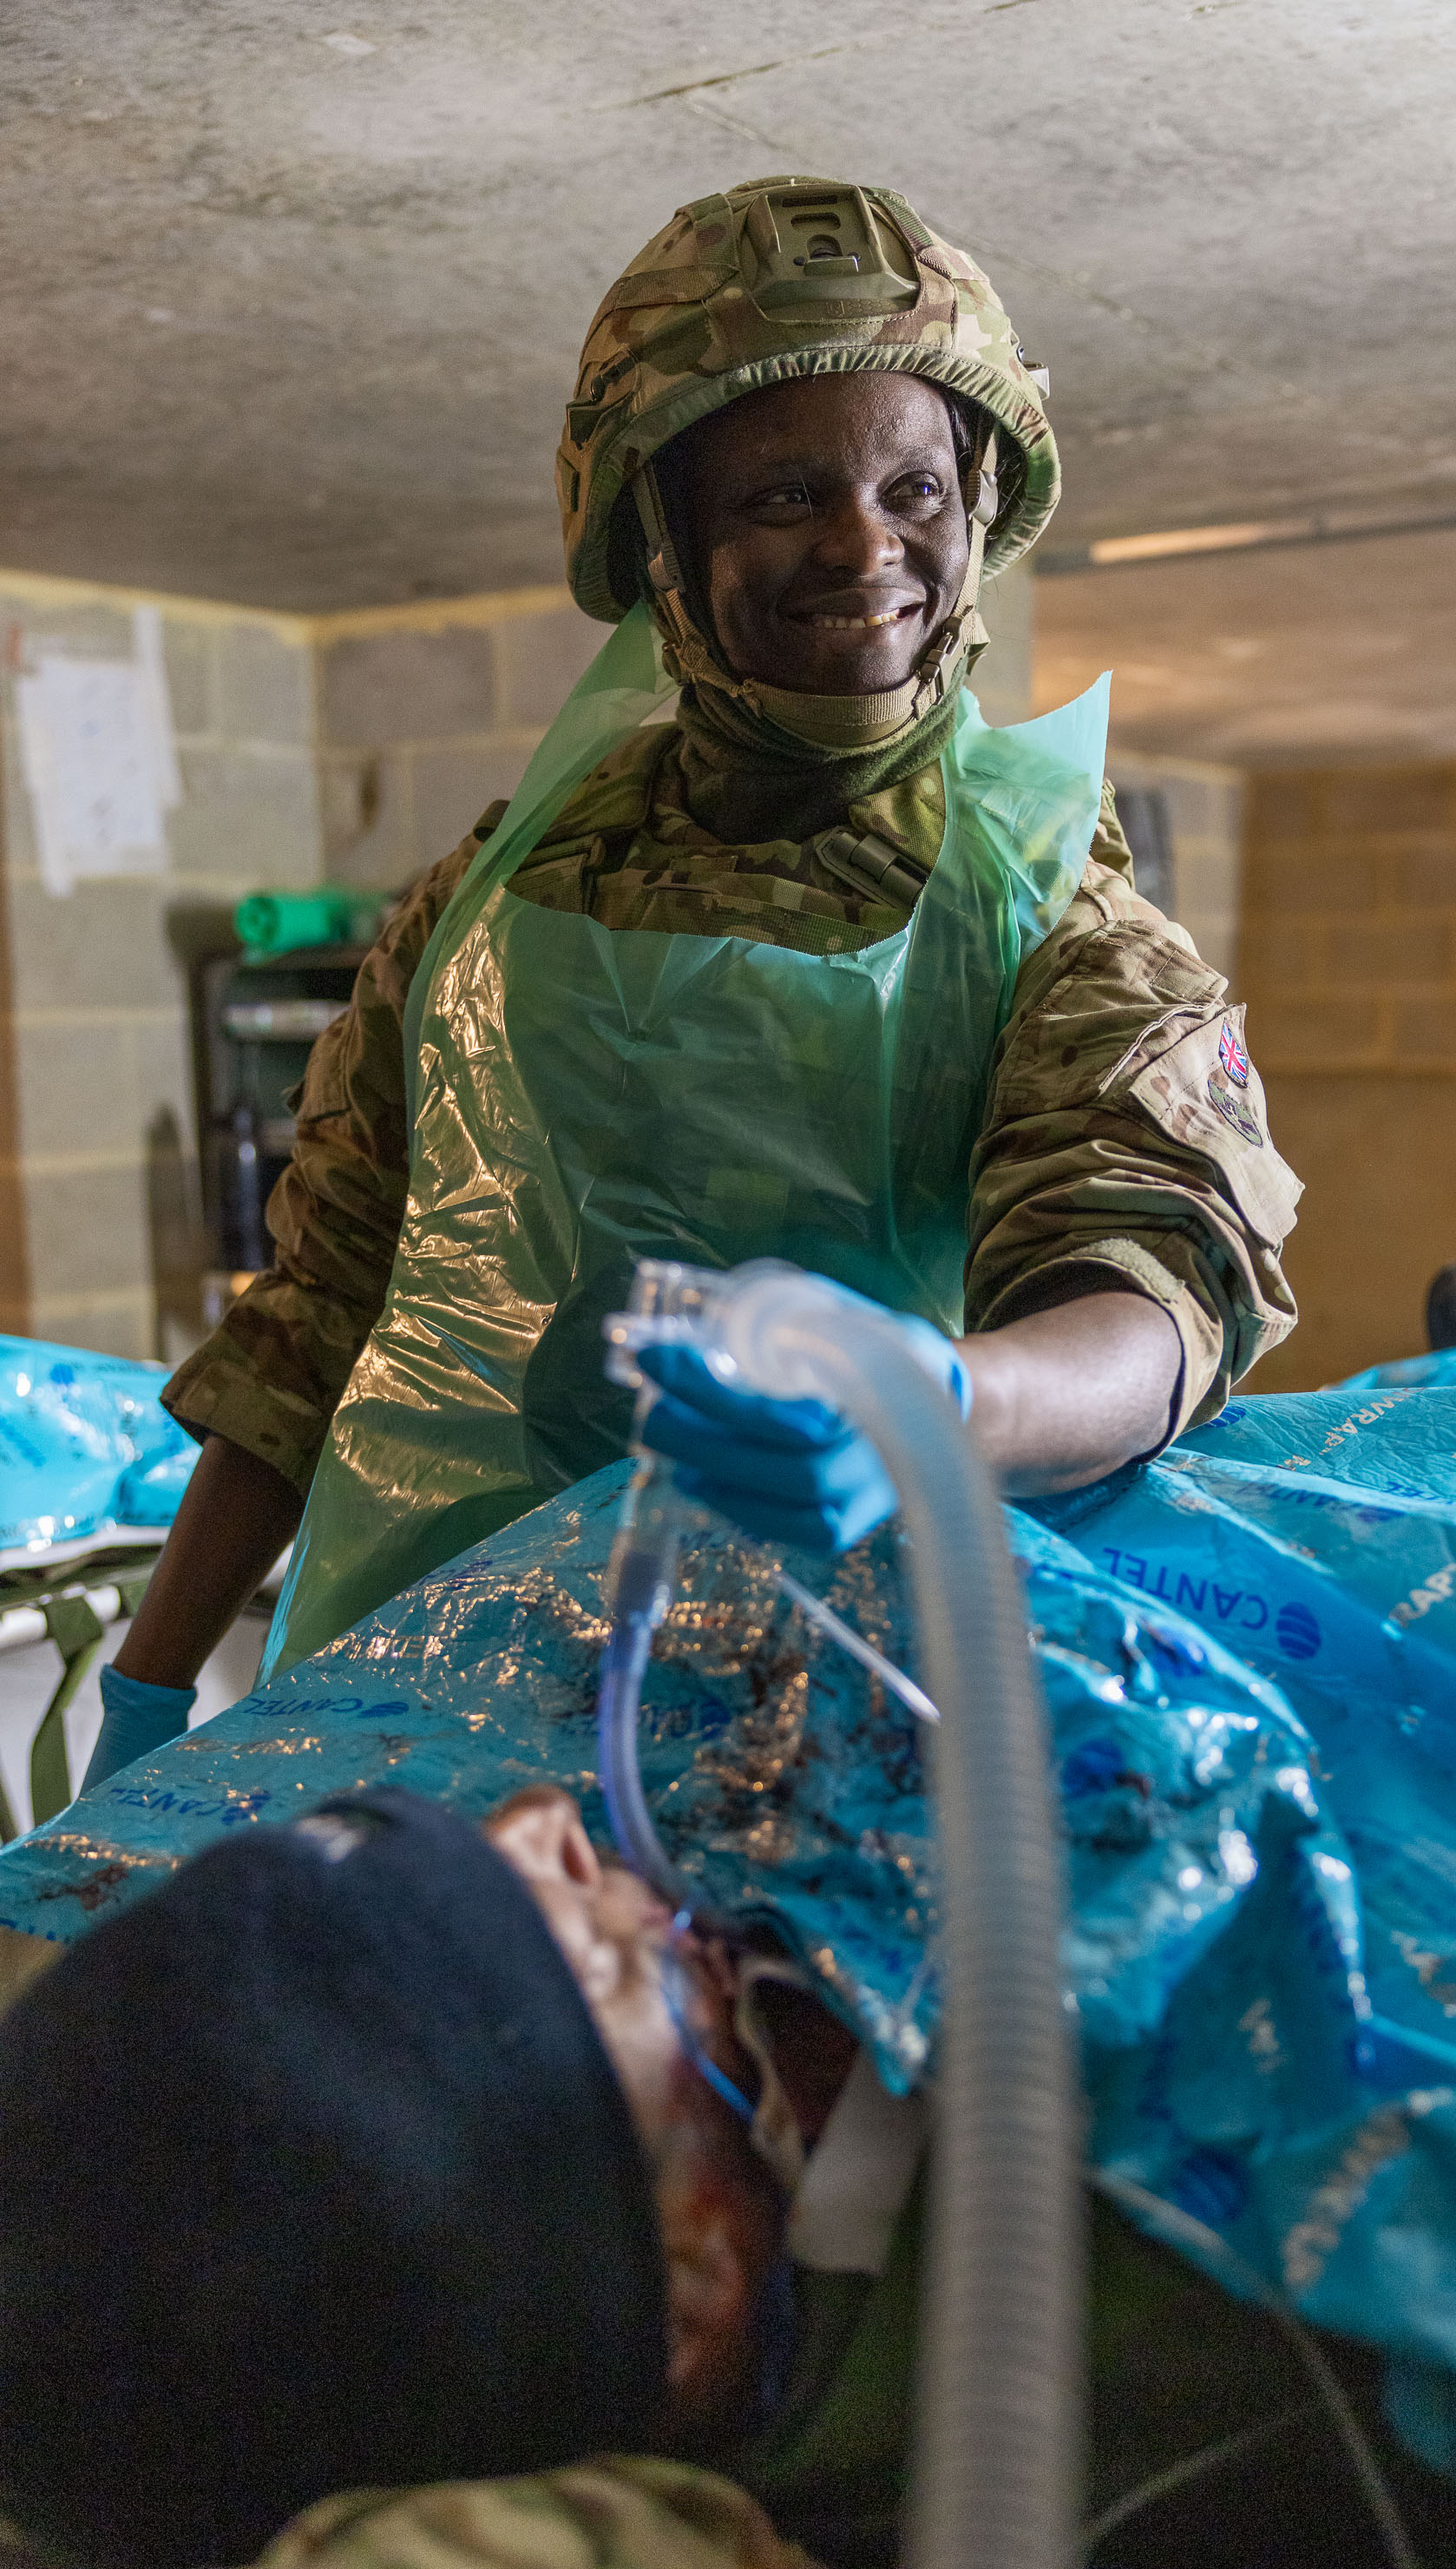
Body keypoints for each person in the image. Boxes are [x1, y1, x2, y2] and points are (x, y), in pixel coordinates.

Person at [85, 174, 1298, 1784]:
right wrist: (153, 1690)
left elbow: (1153, 1299)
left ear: (980, 503)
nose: (865, 545)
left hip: (817, 1748)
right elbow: (315, 1328)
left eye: (917, 489)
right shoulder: (484, 899)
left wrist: (933, 1402)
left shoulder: (1052, 922)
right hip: (407, 1715)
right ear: (663, 536)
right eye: (784, 495)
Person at [0, 1780, 1456, 2569]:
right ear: (686, 2285)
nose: (610, 1867)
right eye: (604, 1963)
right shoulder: (1149, 2383)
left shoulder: (756, 2130)